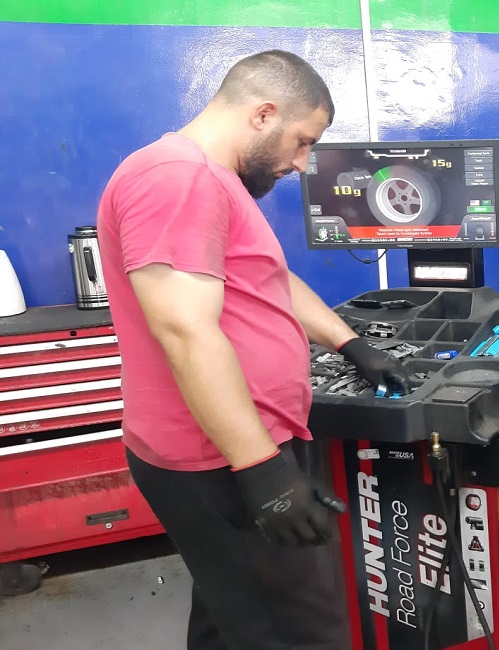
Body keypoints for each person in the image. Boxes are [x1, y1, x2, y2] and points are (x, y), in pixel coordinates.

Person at [96, 50, 410, 650]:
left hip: (229, 449)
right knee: (299, 634)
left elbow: (268, 280)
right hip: (219, 458)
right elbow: (185, 331)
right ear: (263, 114)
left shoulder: (212, 179)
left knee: (230, 617)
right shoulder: (178, 179)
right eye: (303, 141)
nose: (302, 162)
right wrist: (264, 472)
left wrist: (351, 344)